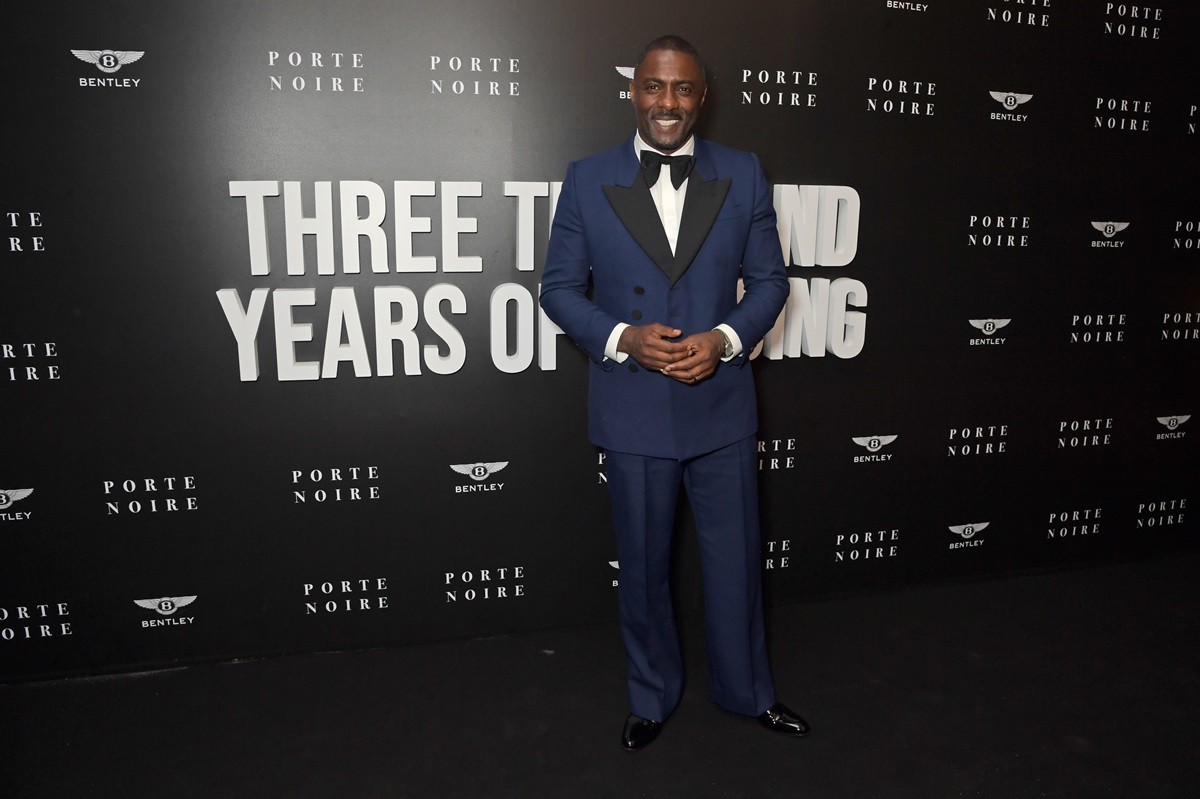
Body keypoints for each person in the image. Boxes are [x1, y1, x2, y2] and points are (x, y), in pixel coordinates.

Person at [540, 35, 809, 751]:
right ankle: (651, 696)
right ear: (635, 91)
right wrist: (624, 337)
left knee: (736, 562)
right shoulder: (586, 177)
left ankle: (749, 692)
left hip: (720, 404)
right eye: (655, 87)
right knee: (644, 568)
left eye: (683, 89)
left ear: (702, 97)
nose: (668, 102)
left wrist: (722, 339)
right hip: (633, 406)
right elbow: (559, 290)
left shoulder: (745, 173)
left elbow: (772, 282)